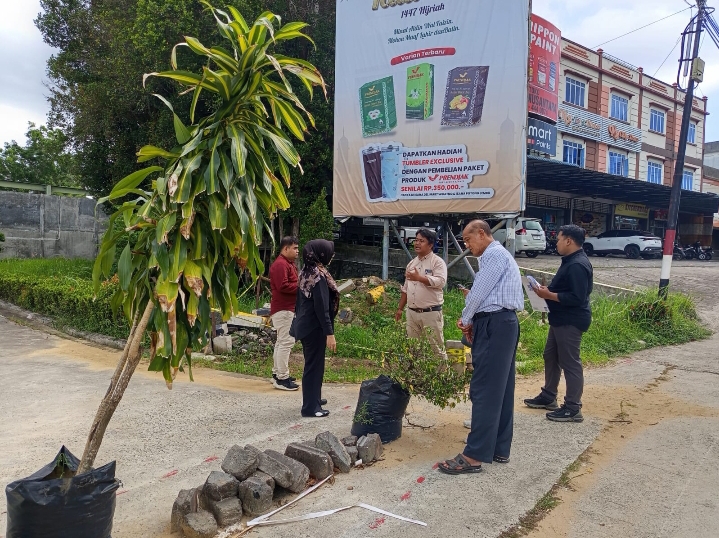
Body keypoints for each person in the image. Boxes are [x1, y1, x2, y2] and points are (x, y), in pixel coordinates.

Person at [438, 220, 524, 475]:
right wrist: (473, 319)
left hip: (495, 324)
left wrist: (466, 319)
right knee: (501, 389)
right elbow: (485, 294)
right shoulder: (498, 256)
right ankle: (498, 447)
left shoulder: (493, 255)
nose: (467, 245)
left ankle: (474, 455)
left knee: (485, 388)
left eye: (468, 239)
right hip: (501, 323)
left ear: (482, 233)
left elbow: (478, 292)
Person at [524, 224, 593, 423]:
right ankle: (548, 396)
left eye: (559, 239)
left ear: (569, 241)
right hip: (560, 319)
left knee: (570, 362)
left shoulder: (577, 265)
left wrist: (549, 295)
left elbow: (577, 297)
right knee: (551, 356)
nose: (557, 243)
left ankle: (573, 408)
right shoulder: (570, 261)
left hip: (571, 320)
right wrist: (546, 291)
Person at [292, 239, 339, 418]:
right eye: (330, 253)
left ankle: (314, 398)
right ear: (321, 254)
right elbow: (322, 307)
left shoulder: (307, 270)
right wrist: (329, 333)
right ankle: (311, 408)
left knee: (313, 365)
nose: (332, 256)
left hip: (306, 325)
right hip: (314, 327)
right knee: (314, 366)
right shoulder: (318, 277)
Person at [395, 228, 448, 360]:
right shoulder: (412, 263)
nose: (417, 243)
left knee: (436, 348)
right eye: (416, 240)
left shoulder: (437, 262)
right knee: (414, 348)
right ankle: (416, 373)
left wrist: (420, 278)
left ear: (430, 245)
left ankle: (442, 373)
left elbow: (441, 282)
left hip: (430, 312)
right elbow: (406, 288)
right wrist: (400, 309)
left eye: (421, 241)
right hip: (412, 312)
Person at [269, 236, 300, 391]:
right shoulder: (281, 264)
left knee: (281, 342)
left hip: (285, 308)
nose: (297, 251)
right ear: (285, 248)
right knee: (286, 342)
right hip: (284, 309)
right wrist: (302, 286)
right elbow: (283, 286)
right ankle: (282, 378)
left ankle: (277, 373)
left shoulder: (287, 263)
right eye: (295, 248)